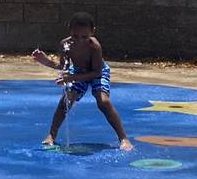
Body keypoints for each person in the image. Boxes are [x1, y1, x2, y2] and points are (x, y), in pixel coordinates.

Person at [31, 12, 133, 150]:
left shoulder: (94, 46)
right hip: (78, 71)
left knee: (103, 101)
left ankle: (123, 138)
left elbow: (96, 72)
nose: (79, 40)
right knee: (65, 100)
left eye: (84, 36)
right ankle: (51, 135)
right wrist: (46, 61)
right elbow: (64, 66)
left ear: (92, 32)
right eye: (75, 36)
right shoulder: (65, 45)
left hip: (98, 71)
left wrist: (72, 77)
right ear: (69, 30)